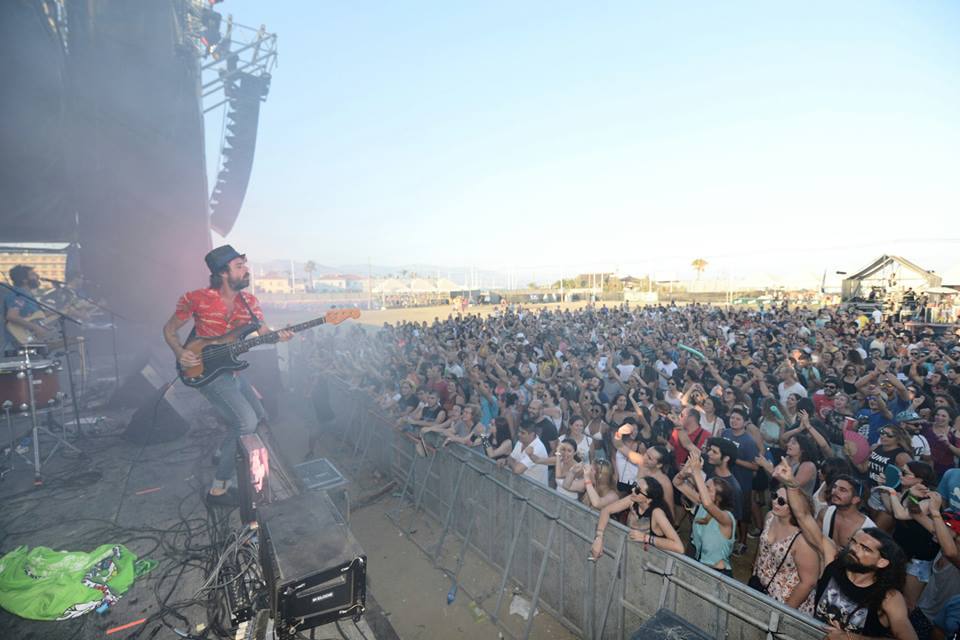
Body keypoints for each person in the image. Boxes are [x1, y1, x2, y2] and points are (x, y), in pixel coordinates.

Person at [163, 245, 293, 505]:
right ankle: (219, 489)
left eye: (245, 265)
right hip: (205, 371)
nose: (247, 271)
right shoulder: (196, 298)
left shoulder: (250, 303)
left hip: (230, 369)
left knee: (259, 415)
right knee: (245, 422)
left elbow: (264, 334)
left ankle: (224, 450)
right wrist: (179, 352)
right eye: (239, 267)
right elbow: (169, 330)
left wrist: (279, 337)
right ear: (223, 273)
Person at [773, 459, 917, 640]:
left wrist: (850, 638)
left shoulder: (889, 597)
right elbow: (803, 516)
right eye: (854, 542)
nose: (854, 549)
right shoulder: (834, 561)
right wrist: (791, 485)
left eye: (864, 548)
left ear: (882, 561)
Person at [749, 487, 819, 613]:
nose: (775, 502)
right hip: (760, 587)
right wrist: (755, 571)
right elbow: (762, 548)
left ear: (795, 508)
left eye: (781, 501)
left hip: (785, 600)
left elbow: (808, 583)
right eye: (774, 496)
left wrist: (785, 612)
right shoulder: (770, 516)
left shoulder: (803, 539)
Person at [674, 450, 738, 576]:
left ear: (718, 498)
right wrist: (685, 472)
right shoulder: (702, 503)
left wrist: (697, 471)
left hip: (716, 573)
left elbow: (709, 505)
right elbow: (677, 483)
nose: (702, 488)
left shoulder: (726, 518)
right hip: (697, 563)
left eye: (707, 488)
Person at [590, 476, 684, 560]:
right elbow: (606, 510)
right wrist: (599, 538)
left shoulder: (657, 513)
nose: (633, 490)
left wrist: (646, 538)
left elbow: (679, 547)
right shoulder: (632, 500)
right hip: (632, 557)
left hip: (652, 562)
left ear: (648, 499)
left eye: (638, 490)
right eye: (634, 485)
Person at [2, 265, 49, 352]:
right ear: (24, 280)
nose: (37, 276)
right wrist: (35, 327)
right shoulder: (18, 294)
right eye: (33, 275)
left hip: (30, 339)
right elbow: (12, 316)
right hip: (16, 343)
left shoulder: (27, 295)